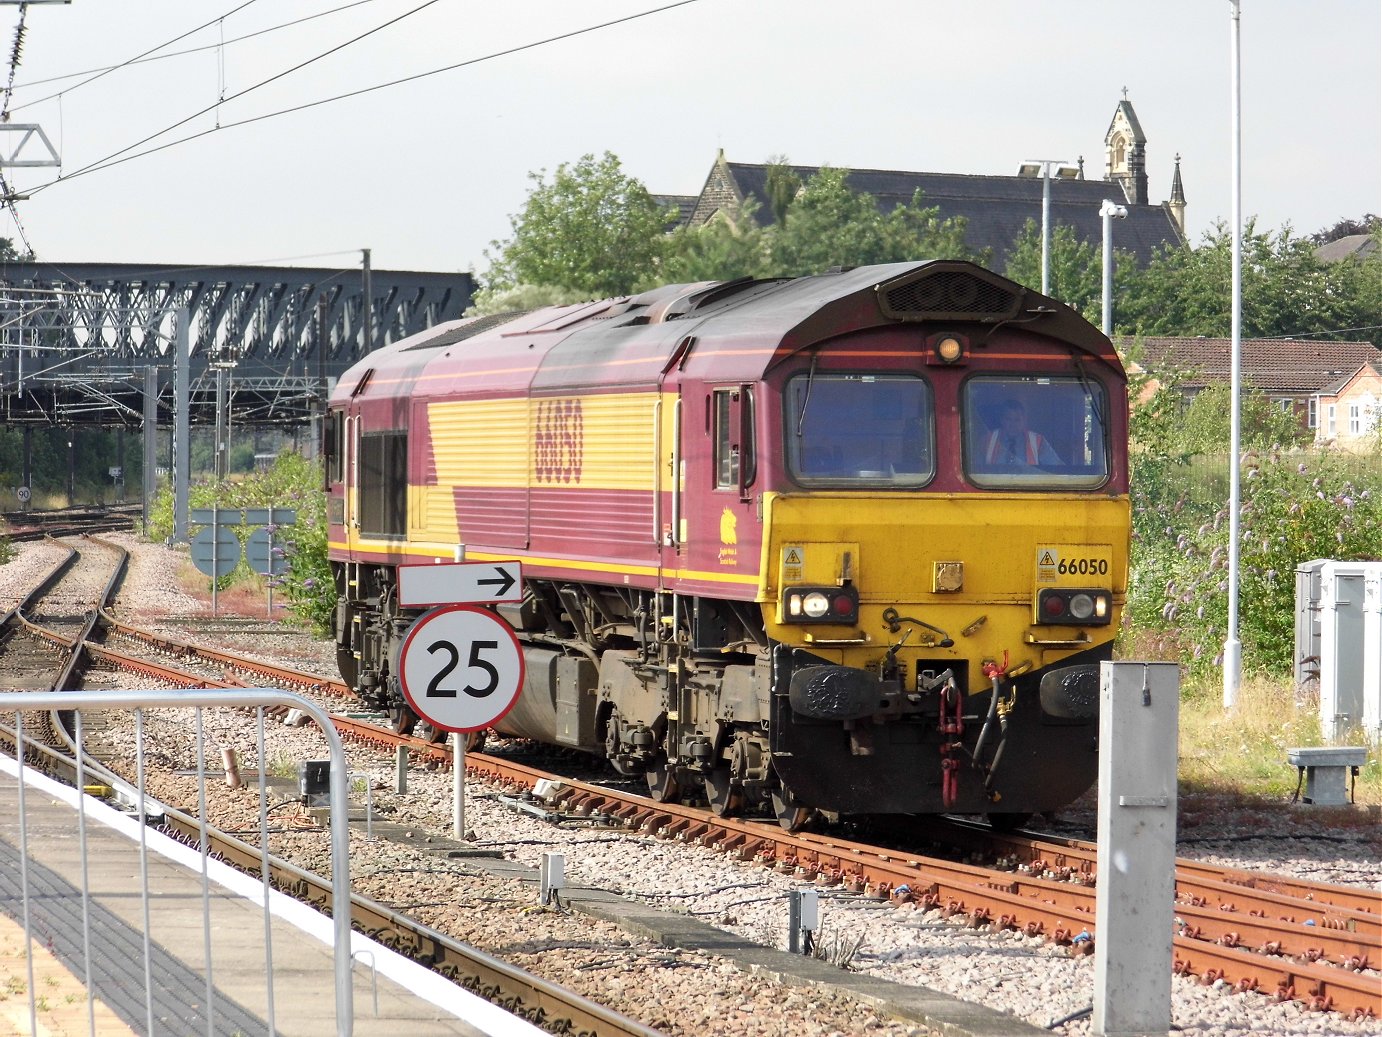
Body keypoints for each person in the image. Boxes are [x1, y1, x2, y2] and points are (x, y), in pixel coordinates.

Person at [983, 399, 1060, 466]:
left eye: (1017, 420)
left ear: (1024, 421)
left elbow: (1057, 467)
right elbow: (976, 470)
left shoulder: (1038, 441)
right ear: (1001, 420)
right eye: (1008, 419)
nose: (1013, 424)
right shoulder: (988, 439)